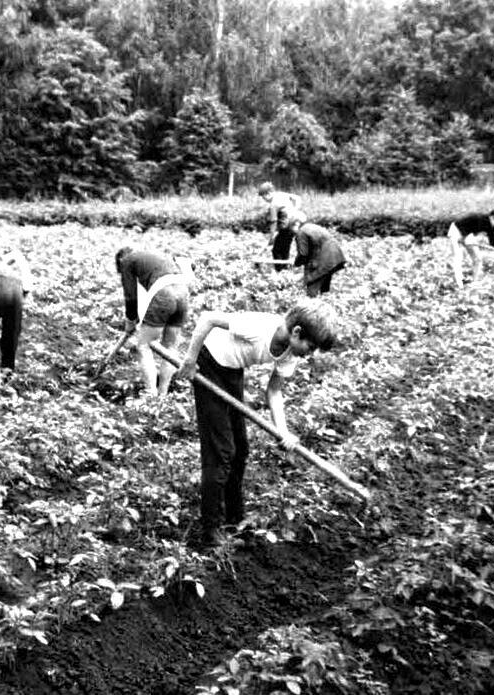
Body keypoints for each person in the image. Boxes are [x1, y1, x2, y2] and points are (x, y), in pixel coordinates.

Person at [175, 298, 338, 547]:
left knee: (240, 449)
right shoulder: (259, 327)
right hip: (209, 362)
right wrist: (190, 360)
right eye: (311, 346)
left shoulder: (290, 352)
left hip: (232, 369)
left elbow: (274, 391)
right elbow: (208, 318)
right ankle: (211, 530)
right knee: (220, 452)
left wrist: (282, 431)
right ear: (296, 332)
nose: (311, 353)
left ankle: (235, 519)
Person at [115, 247, 192, 397]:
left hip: (164, 294)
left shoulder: (126, 261)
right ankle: (163, 394)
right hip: (183, 293)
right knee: (170, 348)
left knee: (144, 346)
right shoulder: (152, 257)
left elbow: (131, 297)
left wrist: (130, 322)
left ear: (120, 260)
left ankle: (151, 394)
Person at [447, 209, 494, 288]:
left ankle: (474, 282)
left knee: (478, 258)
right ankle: (459, 283)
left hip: (467, 234)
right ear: (492, 217)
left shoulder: (491, 226)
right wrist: (461, 240)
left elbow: (493, 242)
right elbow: (459, 224)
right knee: (458, 256)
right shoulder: (478, 217)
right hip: (456, 230)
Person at [258, 182, 306, 272]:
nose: (264, 199)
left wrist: (271, 238)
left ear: (268, 194)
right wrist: (295, 210)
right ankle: (286, 268)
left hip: (285, 228)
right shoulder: (282, 194)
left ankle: (280, 271)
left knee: (276, 251)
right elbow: (297, 198)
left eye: (263, 197)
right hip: (293, 226)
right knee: (285, 248)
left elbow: (273, 222)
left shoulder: (273, 205)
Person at [292, 222, 347, 297]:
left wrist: (296, 263)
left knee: (311, 287)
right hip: (335, 254)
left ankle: (312, 306)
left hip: (324, 257)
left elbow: (303, 254)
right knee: (324, 287)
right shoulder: (309, 226)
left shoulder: (301, 232)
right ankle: (324, 304)